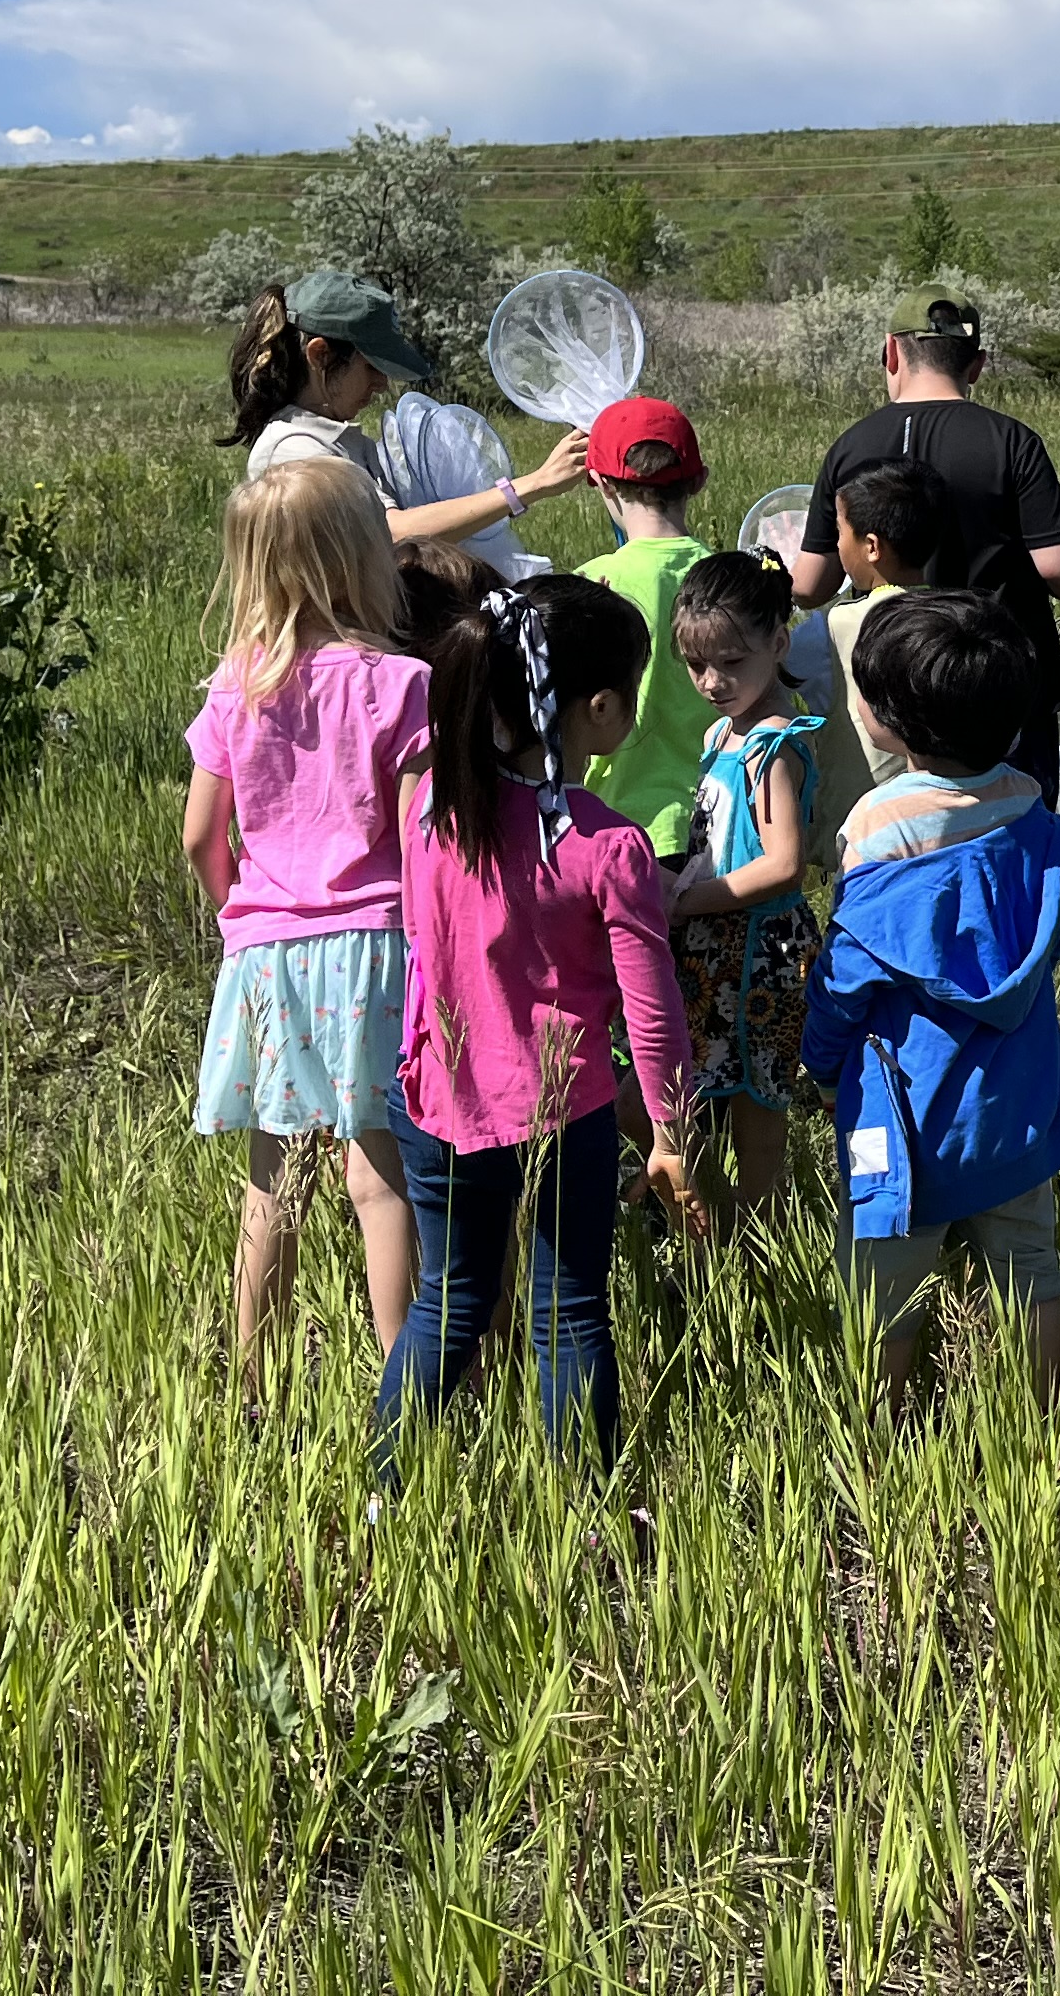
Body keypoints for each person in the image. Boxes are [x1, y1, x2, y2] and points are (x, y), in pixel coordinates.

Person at [380, 575, 705, 1478]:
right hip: (566, 1106)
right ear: (598, 706)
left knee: (447, 1301)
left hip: (434, 1090)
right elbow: (652, 1010)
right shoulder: (609, 846)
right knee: (570, 1311)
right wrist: (672, 1133)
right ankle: (588, 1513)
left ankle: (383, 1494)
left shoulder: (436, 815)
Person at [803, 590, 1060, 1415]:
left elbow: (849, 973)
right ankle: (1044, 1425)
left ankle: (886, 1432)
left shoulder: (877, 824)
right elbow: (1053, 932)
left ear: (885, 722)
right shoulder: (1030, 804)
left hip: (900, 1107)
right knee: (1031, 1267)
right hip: (1016, 1091)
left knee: (883, 1277)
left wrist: (819, 1062)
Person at [178, 457, 426, 1401]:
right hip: (377, 944)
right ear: (362, 556)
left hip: (266, 949)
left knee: (273, 1180)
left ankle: (254, 1385)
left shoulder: (234, 688)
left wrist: (240, 912)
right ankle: (405, 1382)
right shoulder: (400, 683)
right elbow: (416, 838)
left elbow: (203, 833)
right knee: (380, 1172)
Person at [786, 287, 1060, 792]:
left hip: (895, 695)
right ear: (976, 365)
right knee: (1013, 843)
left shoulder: (850, 447)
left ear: (892, 352)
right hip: (1003, 687)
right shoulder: (1010, 440)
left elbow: (810, 584)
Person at [665, 548, 824, 1232]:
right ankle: (718, 1237)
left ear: (778, 643)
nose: (712, 681)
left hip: (762, 952)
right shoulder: (721, 734)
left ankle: (761, 1251)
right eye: (698, 665)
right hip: (711, 950)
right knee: (696, 1102)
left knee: (758, 1118)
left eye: (731, 663)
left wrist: (681, 901)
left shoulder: (774, 743)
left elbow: (785, 863)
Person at [225, 269, 587, 550]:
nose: (381, 383)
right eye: (371, 367)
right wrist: (532, 485)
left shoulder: (336, 439)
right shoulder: (294, 451)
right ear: (319, 355)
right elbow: (392, 534)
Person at [584, 396, 717, 865]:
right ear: (698, 481)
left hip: (609, 825)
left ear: (599, 482)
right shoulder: (728, 579)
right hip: (716, 822)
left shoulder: (589, 585)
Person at [794, 458, 938, 844]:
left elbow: (779, 667)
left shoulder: (833, 627)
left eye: (840, 532)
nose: (837, 544)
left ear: (871, 547)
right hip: (939, 821)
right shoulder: (955, 616)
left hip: (859, 825)